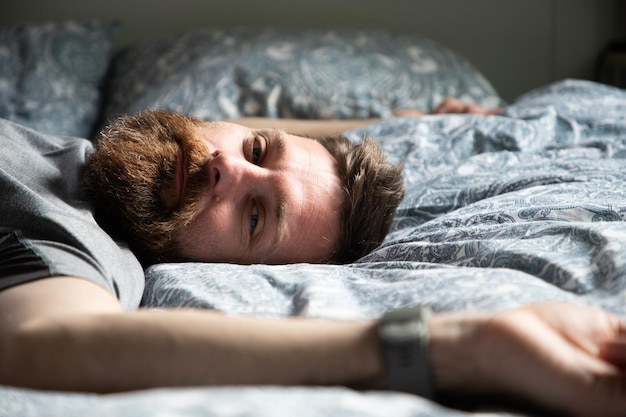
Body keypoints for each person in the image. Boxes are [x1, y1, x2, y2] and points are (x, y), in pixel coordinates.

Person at [0, 98, 624, 417]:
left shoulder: (83, 242)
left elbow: (47, 340)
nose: (227, 168)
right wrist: (388, 120)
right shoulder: (103, 157)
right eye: (256, 148)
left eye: (253, 216)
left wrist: (452, 347)